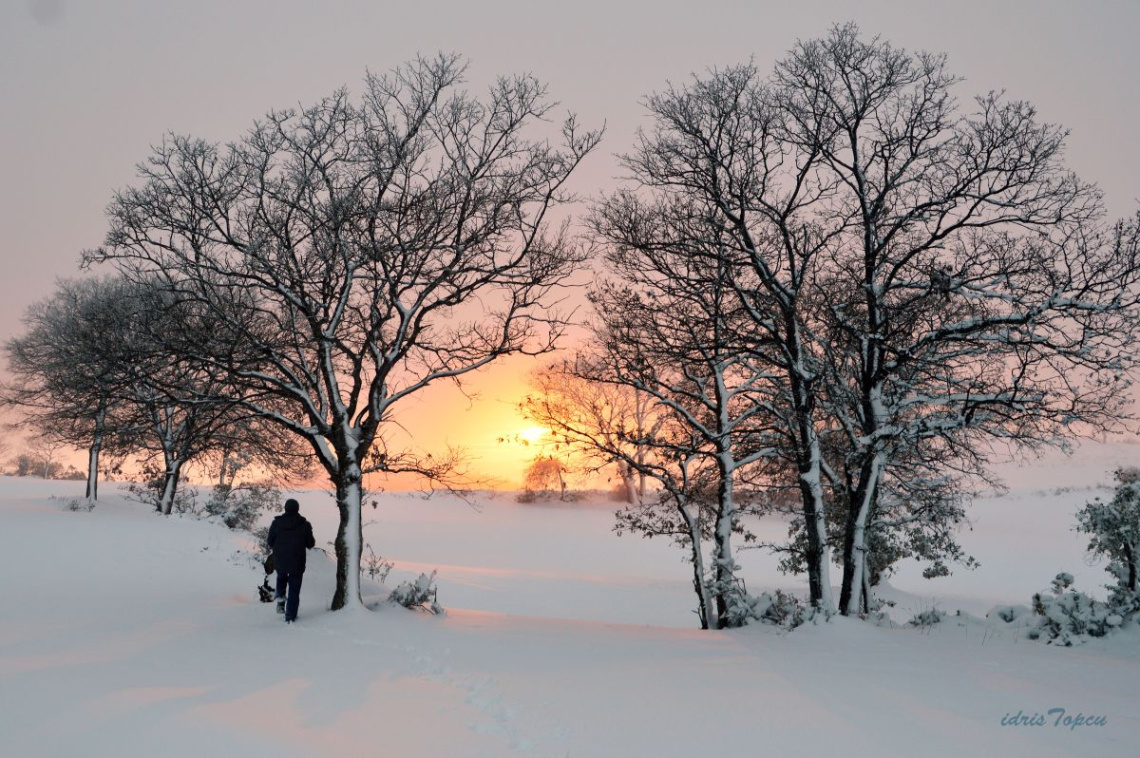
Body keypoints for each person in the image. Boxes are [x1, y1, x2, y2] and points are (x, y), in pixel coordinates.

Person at [266, 498, 315, 623]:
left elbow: (270, 541)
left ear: (285, 508)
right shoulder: (304, 525)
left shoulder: (276, 523)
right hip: (297, 561)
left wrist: (280, 547)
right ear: (297, 509)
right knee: (294, 589)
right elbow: (310, 544)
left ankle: (281, 597)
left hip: (280, 559)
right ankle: (290, 616)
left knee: (281, 577)